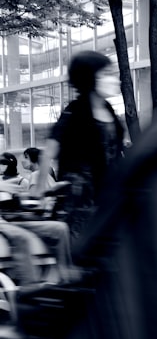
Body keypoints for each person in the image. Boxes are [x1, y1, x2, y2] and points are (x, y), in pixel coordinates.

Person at [36, 51, 127, 242]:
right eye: (105, 73)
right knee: (80, 247)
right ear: (88, 77)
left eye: (112, 72)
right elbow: (48, 152)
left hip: (107, 194)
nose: (112, 78)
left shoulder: (110, 110)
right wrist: (39, 190)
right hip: (79, 198)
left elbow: (115, 153)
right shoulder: (75, 112)